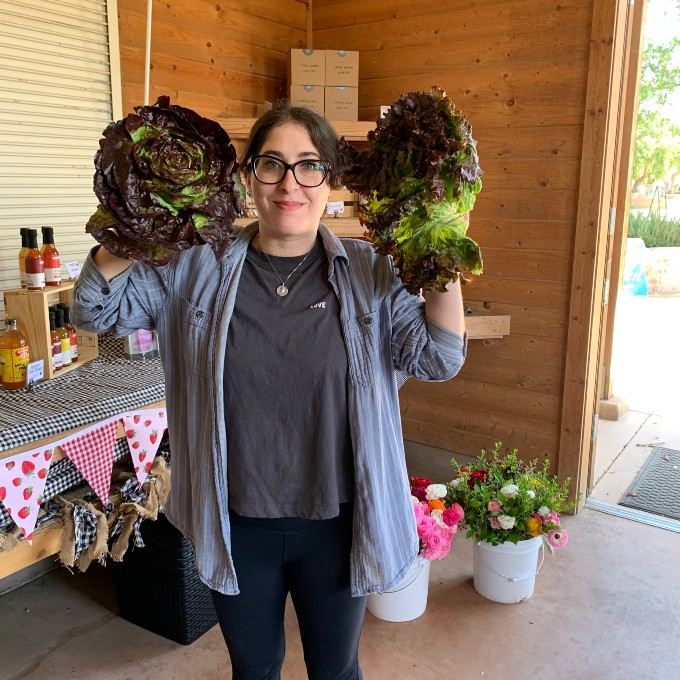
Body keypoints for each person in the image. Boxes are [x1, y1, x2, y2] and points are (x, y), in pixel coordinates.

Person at [71, 101, 467, 680]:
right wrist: (148, 221)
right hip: (237, 524)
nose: (289, 184)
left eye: (309, 165)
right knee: (254, 672)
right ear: (247, 177)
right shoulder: (195, 267)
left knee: (336, 671)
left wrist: (440, 241)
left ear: (330, 180)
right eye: (271, 164)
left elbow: (439, 355)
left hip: (338, 522)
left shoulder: (369, 271)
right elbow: (92, 306)